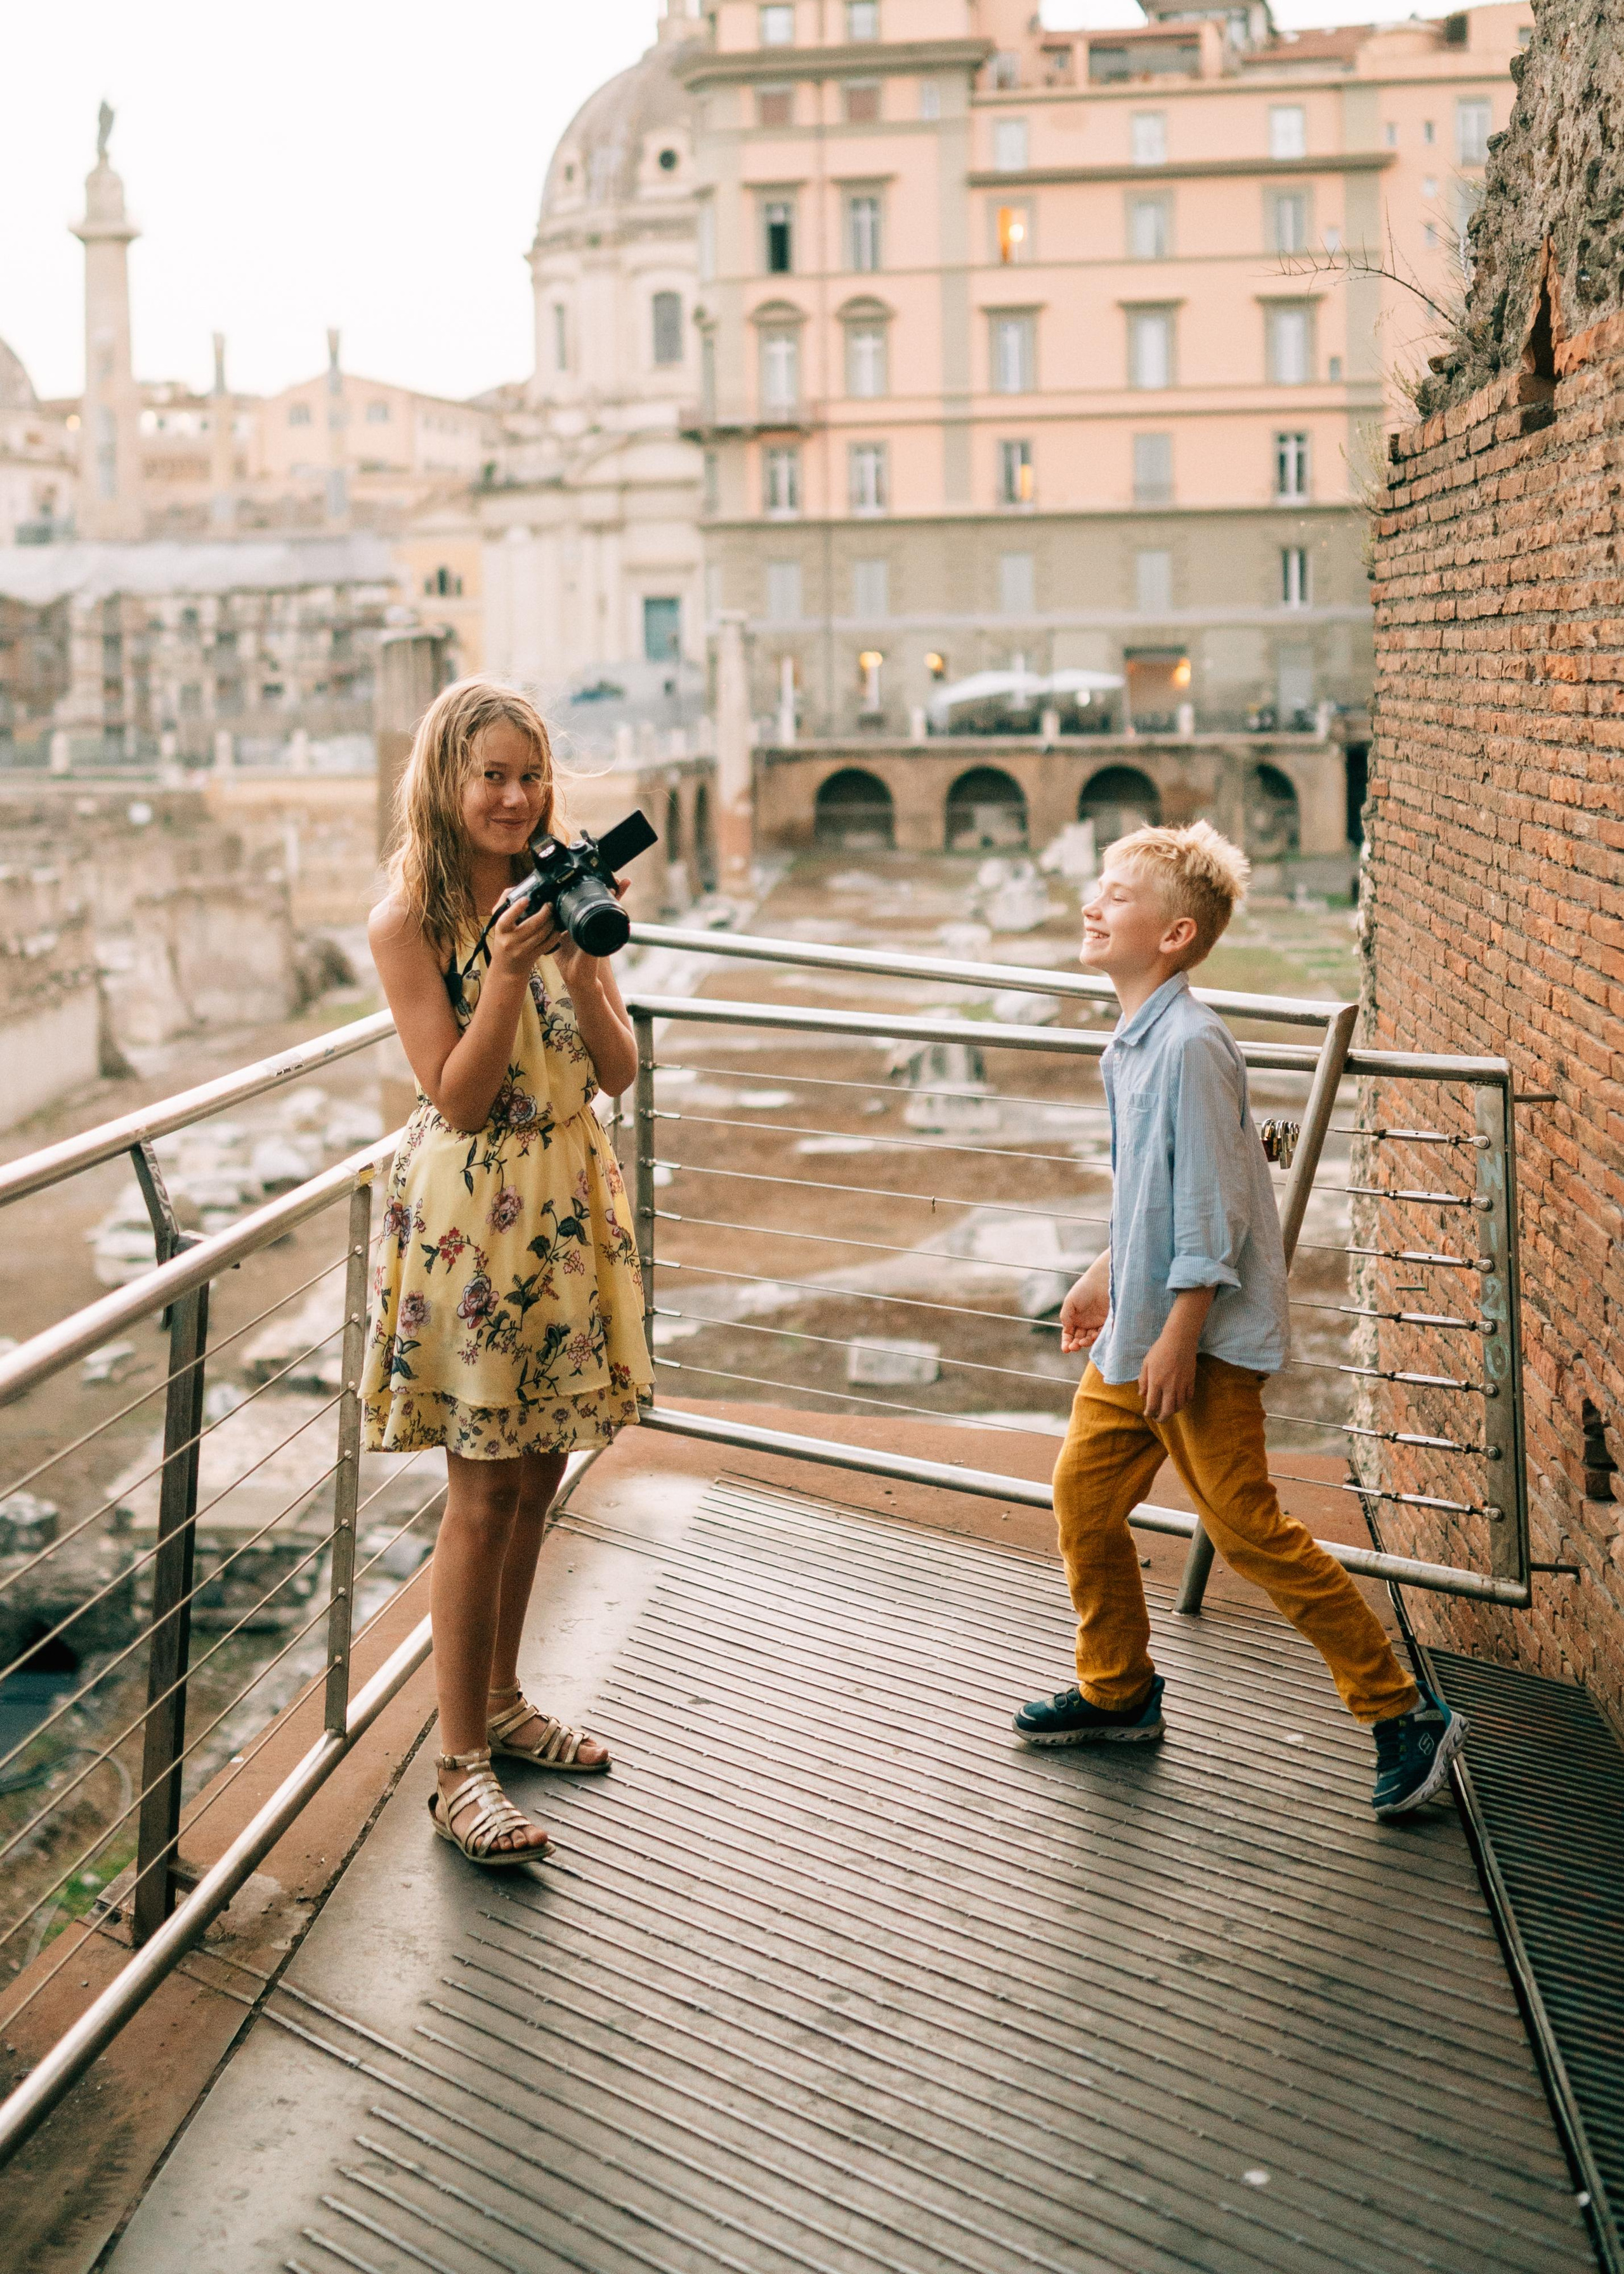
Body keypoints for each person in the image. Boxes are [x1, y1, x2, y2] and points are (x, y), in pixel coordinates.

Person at [1013, 820, 1465, 1819]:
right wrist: (1099, 1275)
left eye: (1117, 895)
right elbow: (1149, 1190)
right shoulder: (1131, 1043)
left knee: (1250, 1530)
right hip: (1140, 1329)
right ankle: (1118, 1691)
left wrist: (1180, 1328)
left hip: (1195, 1345)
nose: (1093, 904)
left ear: (1175, 935)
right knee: (1083, 1502)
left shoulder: (1191, 1047)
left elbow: (1216, 1202)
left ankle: (1402, 1712)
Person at [363, 678, 651, 1868]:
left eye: (531, 773)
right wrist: (499, 977)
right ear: (446, 779)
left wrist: (583, 967)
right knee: (479, 1495)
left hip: (568, 1198)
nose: (516, 796)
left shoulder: (566, 890)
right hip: (475, 1218)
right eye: (491, 773)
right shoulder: (408, 923)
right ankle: (455, 1770)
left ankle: (504, 1703)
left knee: (537, 1480)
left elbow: (621, 1070)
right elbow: (459, 1096)